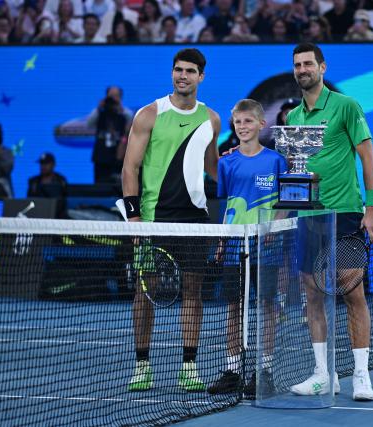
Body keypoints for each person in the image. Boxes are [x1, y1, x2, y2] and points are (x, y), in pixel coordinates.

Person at [286, 42, 373, 401]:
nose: (302, 69)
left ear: (322, 68)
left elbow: (368, 157)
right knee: (312, 293)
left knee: (351, 289)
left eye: (308, 63)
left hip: (345, 213)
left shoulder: (346, 106)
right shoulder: (293, 119)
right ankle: (323, 374)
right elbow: (299, 171)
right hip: (309, 217)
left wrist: (371, 207)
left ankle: (361, 375)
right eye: (297, 65)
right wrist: (297, 186)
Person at [122, 48, 220, 392]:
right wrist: (134, 218)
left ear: (201, 77)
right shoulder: (149, 114)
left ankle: (189, 367)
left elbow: (213, 170)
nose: (182, 76)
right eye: (178, 70)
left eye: (190, 71)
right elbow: (129, 168)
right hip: (153, 219)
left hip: (195, 220)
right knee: (143, 292)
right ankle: (141, 365)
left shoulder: (212, 119)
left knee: (193, 293)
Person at [207, 99, 287, 397]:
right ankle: (232, 370)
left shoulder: (277, 161)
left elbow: (285, 202)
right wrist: (221, 240)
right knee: (233, 307)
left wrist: (274, 227)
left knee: (266, 306)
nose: (242, 127)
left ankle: (264, 372)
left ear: (260, 124)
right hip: (234, 244)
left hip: (266, 245)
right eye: (238, 122)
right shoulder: (226, 162)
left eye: (248, 121)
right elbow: (227, 204)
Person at [88, 86, 133, 183]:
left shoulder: (124, 113)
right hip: (100, 157)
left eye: (115, 96)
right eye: (110, 96)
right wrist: (99, 107)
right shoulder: (100, 112)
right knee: (100, 186)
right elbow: (89, 123)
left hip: (118, 156)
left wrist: (119, 108)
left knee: (118, 186)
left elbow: (131, 121)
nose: (113, 98)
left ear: (120, 97)